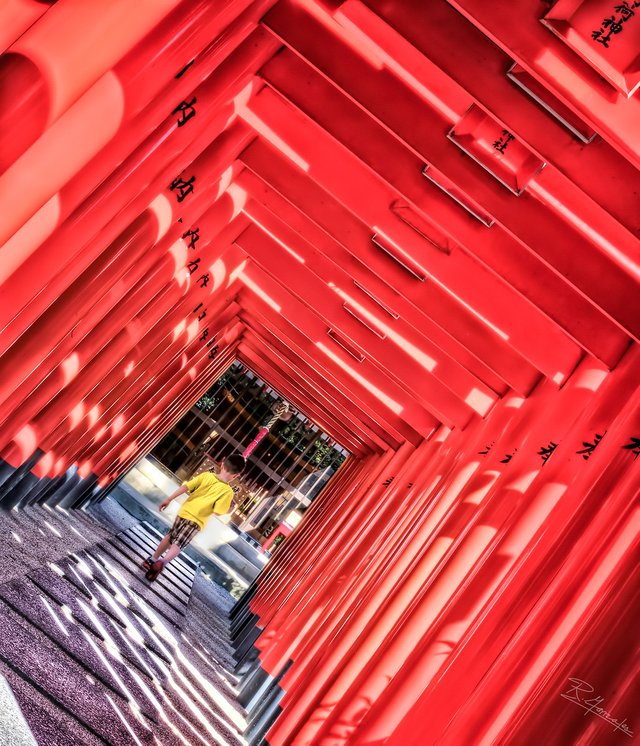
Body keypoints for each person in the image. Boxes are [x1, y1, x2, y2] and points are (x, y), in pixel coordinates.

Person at [143, 454, 246, 580]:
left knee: (170, 536)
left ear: (222, 464)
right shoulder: (228, 492)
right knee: (178, 544)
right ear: (236, 475)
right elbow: (218, 512)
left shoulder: (206, 475)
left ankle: (152, 560)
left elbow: (186, 487)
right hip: (197, 520)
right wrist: (230, 508)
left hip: (185, 512)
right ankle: (163, 562)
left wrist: (169, 499)